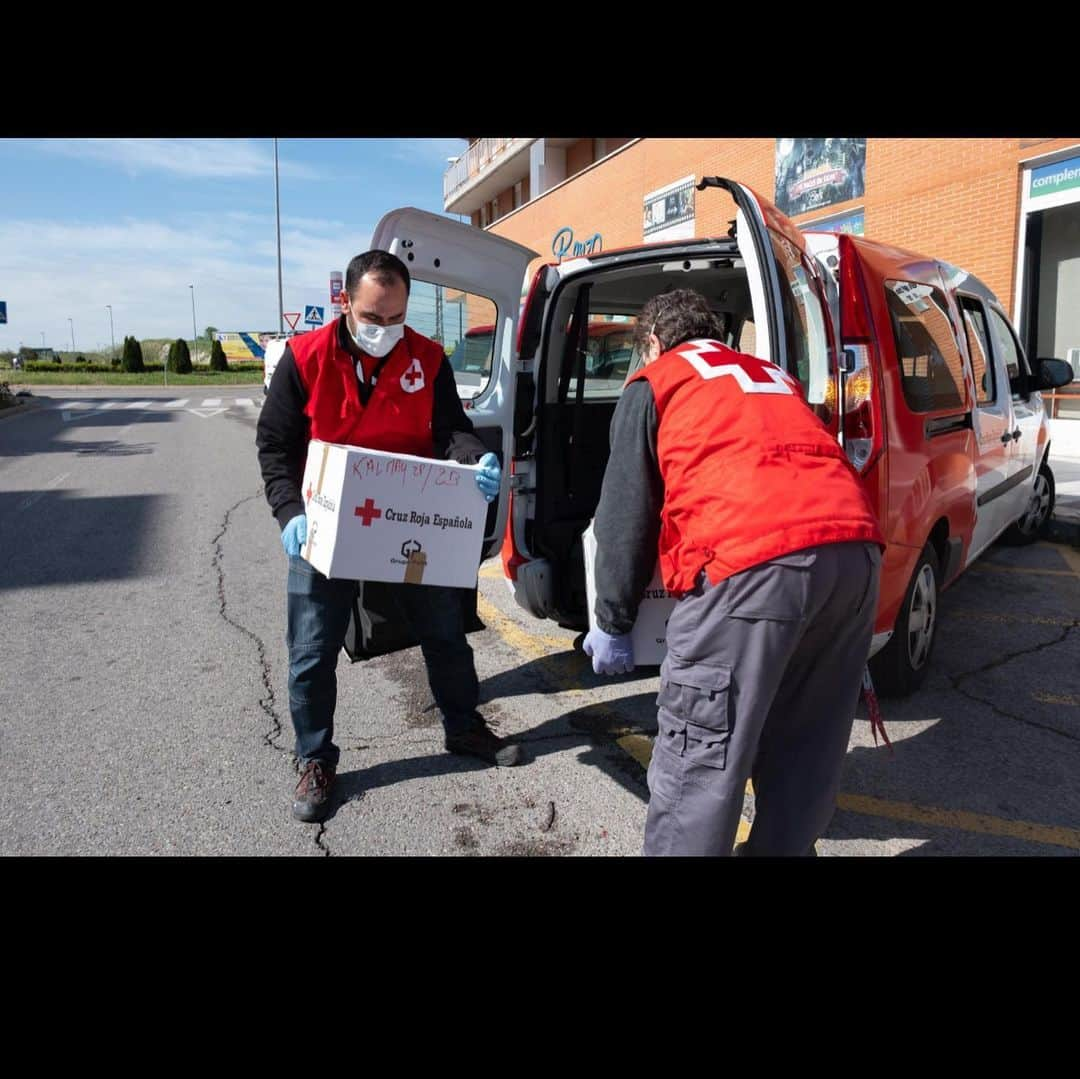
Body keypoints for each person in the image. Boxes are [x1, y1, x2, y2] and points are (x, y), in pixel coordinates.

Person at [583, 288, 885, 856]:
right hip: (855, 555)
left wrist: (612, 619)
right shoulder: (770, 376)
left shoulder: (659, 381)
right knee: (806, 750)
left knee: (699, 769)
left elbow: (624, 512)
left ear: (652, 342)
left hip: (754, 568)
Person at [256, 250, 521, 823]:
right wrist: (287, 512)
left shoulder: (427, 357)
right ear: (345, 303)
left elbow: (452, 429)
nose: (385, 331)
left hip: (406, 521)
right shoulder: (304, 358)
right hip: (322, 528)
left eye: (396, 318)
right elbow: (274, 447)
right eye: (374, 318)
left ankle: (464, 727)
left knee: (445, 633)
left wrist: (475, 459)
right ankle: (315, 758)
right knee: (310, 654)